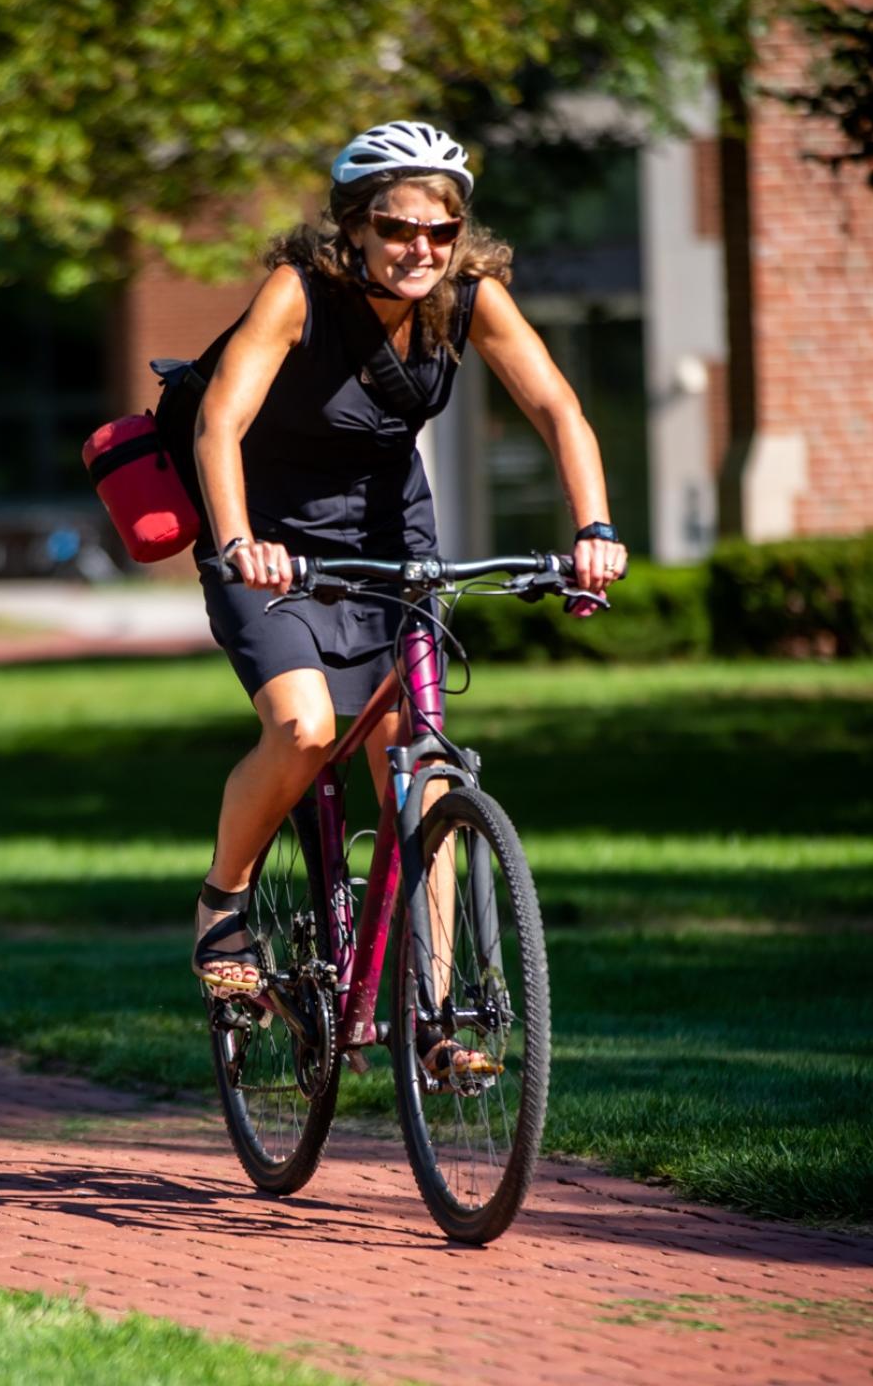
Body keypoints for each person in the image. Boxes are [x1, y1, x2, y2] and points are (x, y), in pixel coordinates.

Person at [188, 121, 628, 1072]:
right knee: (304, 730)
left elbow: (558, 407)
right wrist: (235, 542)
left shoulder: (471, 297)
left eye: (442, 229)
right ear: (353, 227)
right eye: (396, 228)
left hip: (396, 547)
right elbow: (219, 421)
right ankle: (223, 910)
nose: (420, 249)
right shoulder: (299, 294)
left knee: (421, 770)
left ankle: (431, 1020)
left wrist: (593, 529)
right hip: (271, 545)